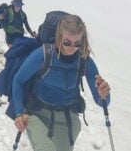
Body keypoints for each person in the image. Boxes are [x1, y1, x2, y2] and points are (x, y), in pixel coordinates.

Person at [11, 14, 111, 151]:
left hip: (68, 119)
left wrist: (103, 93)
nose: (72, 47)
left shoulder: (84, 60)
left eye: (78, 43)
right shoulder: (44, 55)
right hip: (37, 113)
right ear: (59, 36)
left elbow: (102, 101)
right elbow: (18, 81)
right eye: (67, 42)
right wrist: (18, 113)